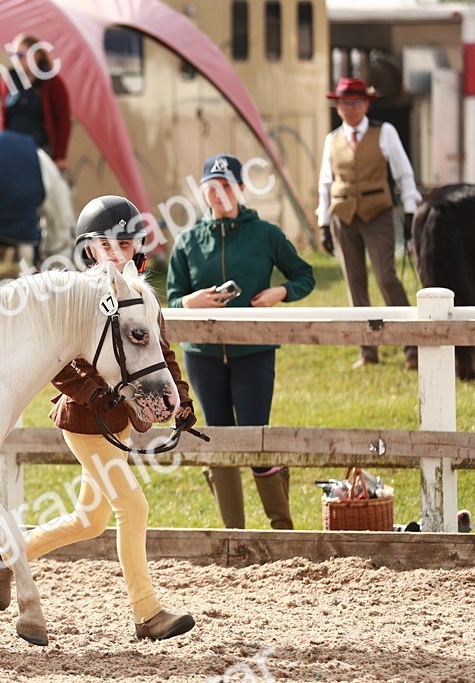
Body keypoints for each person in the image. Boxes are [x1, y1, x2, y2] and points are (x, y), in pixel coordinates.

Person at [0, 195, 197, 642]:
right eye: (109, 243)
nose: (120, 251)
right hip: (86, 422)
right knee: (132, 507)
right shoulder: (76, 298)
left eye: (127, 242)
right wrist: (97, 393)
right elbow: (57, 364)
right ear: (90, 249)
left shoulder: (139, 293)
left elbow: (159, 355)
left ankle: (8, 555)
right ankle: (147, 613)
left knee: (89, 521)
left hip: (118, 422)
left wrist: (179, 398)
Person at [167, 154, 316, 530]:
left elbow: (305, 276)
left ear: (241, 189)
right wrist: (189, 302)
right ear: (203, 191)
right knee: (216, 439)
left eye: (227, 186)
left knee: (254, 438)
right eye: (211, 188)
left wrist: (279, 292)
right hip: (202, 355)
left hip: (254, 350)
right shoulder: (186, 242)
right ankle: (233, 535)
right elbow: (170, 300)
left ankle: (282, 529)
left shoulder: (266, 234)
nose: (219, 194)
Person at [317, 77, 420, 370]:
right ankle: (368, 349)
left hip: (378, 213)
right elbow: (326, 181)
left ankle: (411, 345)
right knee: (355, 283)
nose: (350, 108)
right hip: (344, 215)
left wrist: (410, 209)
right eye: (344, 103)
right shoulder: (332, 139)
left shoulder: (384, 132)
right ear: (337, 107)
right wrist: (324, 221)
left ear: (366, 104)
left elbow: (404, 174)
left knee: (387, 277)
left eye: (355, 102)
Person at [0, 34, 69, 171]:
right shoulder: (8, 80)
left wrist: (60, 156)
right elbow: (3, 116)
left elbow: (63, 120)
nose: (16, 59)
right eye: (13, 55)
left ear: (36, 55)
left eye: (20, 55)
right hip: (14, 151)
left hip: (42, 151)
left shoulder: (52, 82)